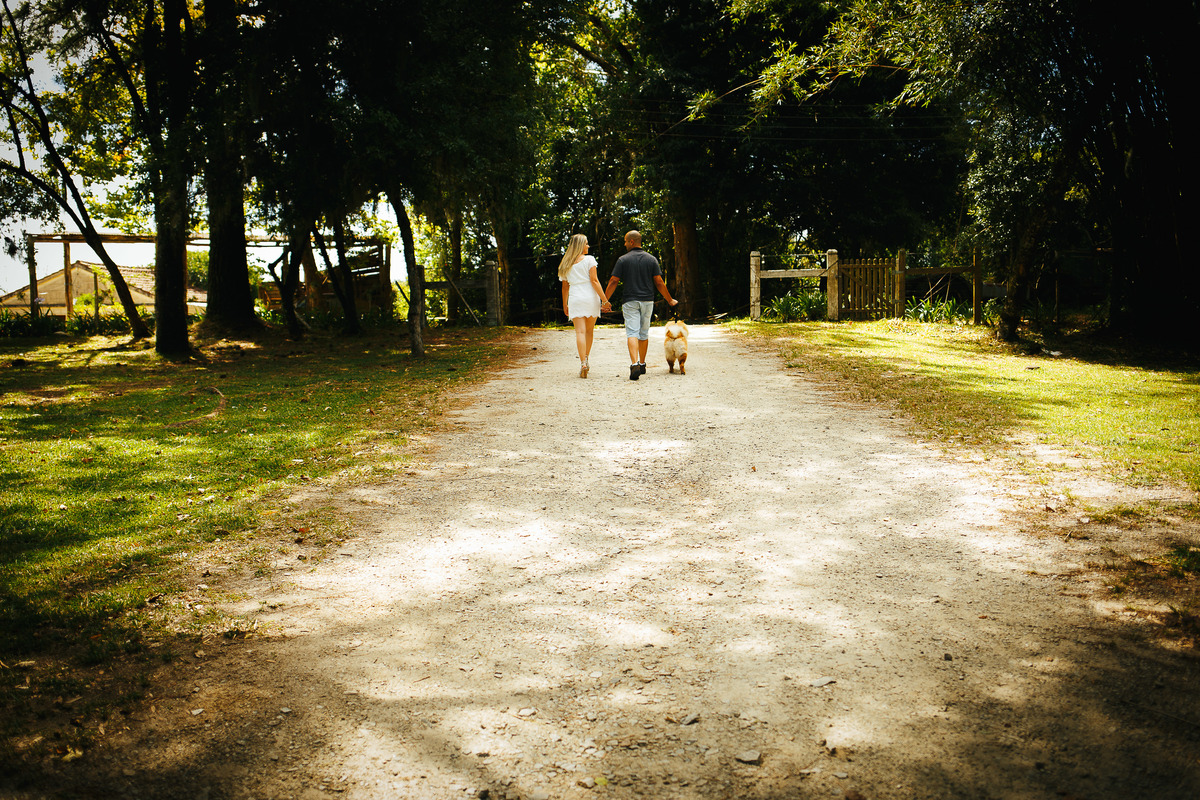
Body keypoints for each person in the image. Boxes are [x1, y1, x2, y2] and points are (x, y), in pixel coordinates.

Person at [603, 230, 677, 380]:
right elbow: (659, 282)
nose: (624, 244)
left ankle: (634, 364)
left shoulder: (623, 260)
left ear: (631, 242)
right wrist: (670, 300)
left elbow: (613, 281)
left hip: (630, 301)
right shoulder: (651, 259)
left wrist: (604, 301)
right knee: (643, 333)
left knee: (632, 333)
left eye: (625, 241)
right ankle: (642, 364)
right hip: (647, 301)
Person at [558, 233, 611, 377]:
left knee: (579, 332)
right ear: (581, 245)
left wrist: (565, 304)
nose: (588, 246)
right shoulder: (590, 260)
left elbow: (565, 287)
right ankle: (586, 358)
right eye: (586, 243)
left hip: (575, 298)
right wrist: (605, 300)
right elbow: (594, 281)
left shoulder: (565, 263)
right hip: (590, 298)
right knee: (589, 331)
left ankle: (582, 363)